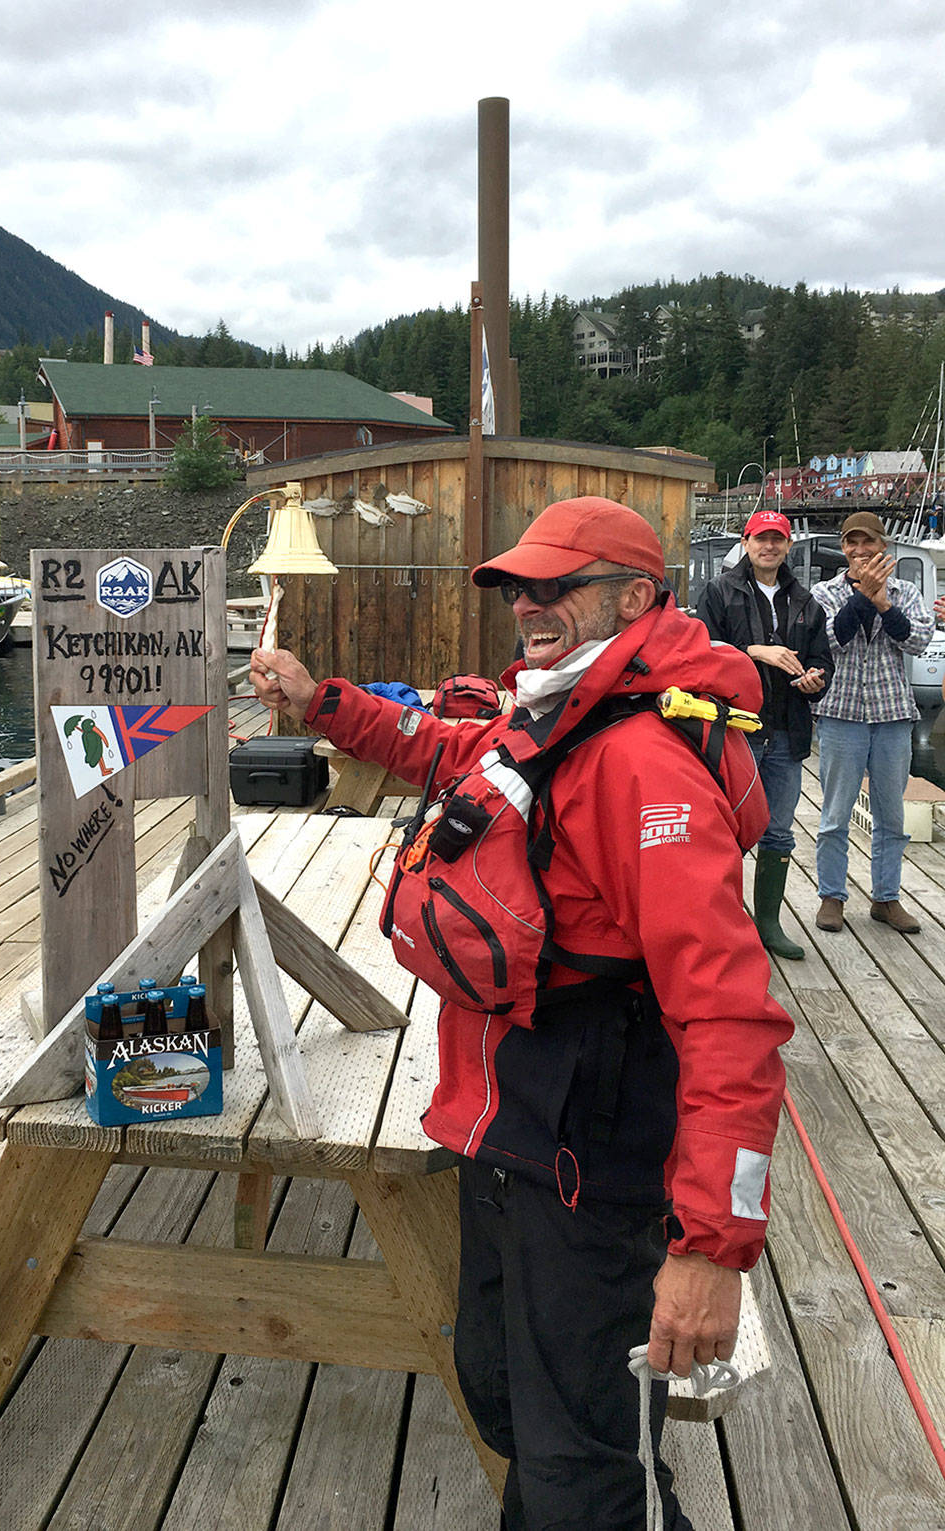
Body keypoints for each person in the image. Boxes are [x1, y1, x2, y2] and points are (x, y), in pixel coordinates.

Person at [250, 496, 792, 1531]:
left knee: (584, 1464)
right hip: (505, 1129)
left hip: (589, 1154)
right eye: (515, 588)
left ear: (634, 597)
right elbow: (449, 752)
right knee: (507, 1399)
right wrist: (321, 699)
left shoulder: (638, 759)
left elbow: (730, 1017)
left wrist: (707, 1248)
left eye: (554, 586)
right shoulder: (552, 709)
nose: (525, 606)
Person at [696, 510, 832, 959]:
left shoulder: (806, 601)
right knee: (725, 830)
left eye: (777, 540)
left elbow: (823, 661)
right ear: (746, 541)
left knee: (778, 833)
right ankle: (724, 921)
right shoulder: (719, 592)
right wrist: (755, 651)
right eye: (761, 538)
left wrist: (816, 678)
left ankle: (769, 923)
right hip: (735, 729)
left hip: (788, 731)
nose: (769, 546)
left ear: (788, 546)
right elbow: (701, 652)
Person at [811, 510, 934, 935]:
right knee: (834, 814)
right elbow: (831, 640)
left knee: (891, 817)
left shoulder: (907, 592)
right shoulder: (823, 593)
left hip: (893, 714)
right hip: (841, 711)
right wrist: (863, 596)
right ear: (843, 548)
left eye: (869, 543)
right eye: (852, 543)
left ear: (884, 545)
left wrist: (882, 600)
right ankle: (831, 896)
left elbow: (917, 641)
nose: (860, 551)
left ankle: (886, 897)